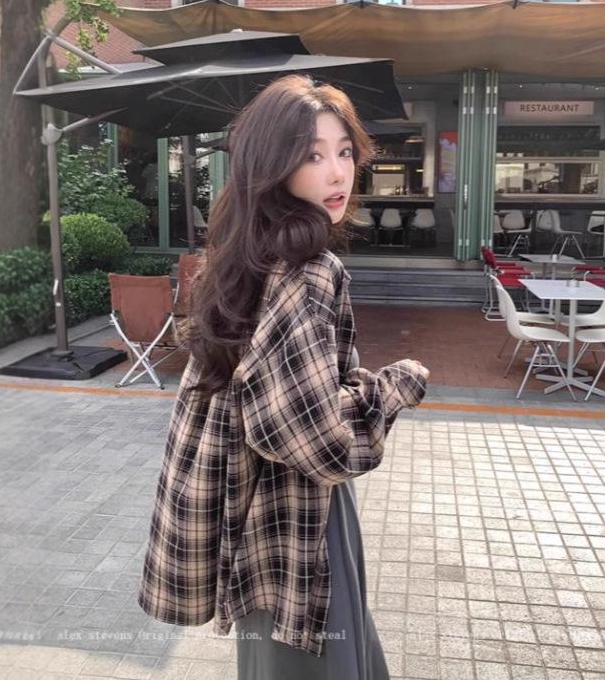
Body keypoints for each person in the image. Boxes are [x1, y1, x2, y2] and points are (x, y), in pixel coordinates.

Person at [136, 74, 431, 679]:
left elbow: (259, 397)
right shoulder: (307, 270)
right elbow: (316, 442)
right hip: (297, 524)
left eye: (344, 152)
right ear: (272, 166)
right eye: (312, 156)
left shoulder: (243, 254)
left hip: (251, 520)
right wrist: (394, 385)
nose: (338, 173)